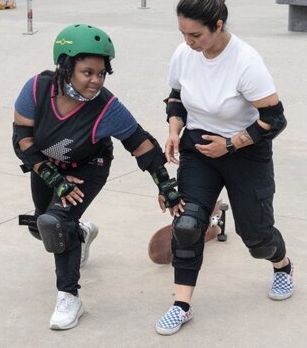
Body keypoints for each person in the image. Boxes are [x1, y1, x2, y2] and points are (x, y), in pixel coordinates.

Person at [12, 24, 183, 331]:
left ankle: (69, 296)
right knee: (43, 226)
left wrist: (165, 186)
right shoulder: (37, 89)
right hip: (47, 166)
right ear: (65, 66)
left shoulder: (107, 108)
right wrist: (53, 178)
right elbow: (22, 140)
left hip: (89, 166)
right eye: (87, 72)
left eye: (101, 73)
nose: (95, 81)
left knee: (56, 223)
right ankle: (81, 234)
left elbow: (141, 144)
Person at [154, 0, 292, 336]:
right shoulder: (185, 54)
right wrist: (173, 129)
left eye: (196, 35)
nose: (189, 42)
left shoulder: (246, 62)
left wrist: (230, 145)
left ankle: (282, 266)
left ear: (218, 26)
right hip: (199, 149)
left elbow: (274, 120)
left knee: (257, 237)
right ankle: (181, 305)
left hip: (245, 152)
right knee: (186, 226)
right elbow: (176, 96)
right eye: (183, 33)